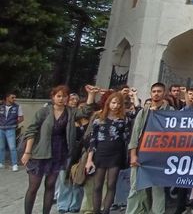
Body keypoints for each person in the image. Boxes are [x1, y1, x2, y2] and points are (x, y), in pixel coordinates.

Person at [22, 85, 97, 214]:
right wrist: (27, 152)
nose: (61, 99)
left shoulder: (70, 111)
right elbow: (31, 131)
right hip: (40, 151)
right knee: (33, 186)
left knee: (50, 185)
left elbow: (85, 112)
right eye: (59, 96)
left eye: (64, 96)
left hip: (59, 152)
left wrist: (91, 95)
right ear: (53, 97)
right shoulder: (44, 112)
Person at [126, 82, 173, 214]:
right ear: (151, 94)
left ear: (164, 93)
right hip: (141, 154)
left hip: (159, 156)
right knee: (136, 188)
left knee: (157, 189)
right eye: (154, 91)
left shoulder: (171, 112)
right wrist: (133, 155)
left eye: (159, 91)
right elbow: (135, 135)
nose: (156, 94)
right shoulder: (143, 112)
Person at [85, 92, 132, 214]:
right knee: (97, 185)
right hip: (100, 153)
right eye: (113, 102)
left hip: (116, 154)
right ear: (108, 103)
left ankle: (106, 211)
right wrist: (89, 159)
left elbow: (127, 138)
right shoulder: (99, 118)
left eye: (118, 103)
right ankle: (96, 211)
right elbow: (92, 140)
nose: (115, 106)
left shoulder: (124, 119)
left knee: (111, 184)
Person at [0, 91, 24, 171]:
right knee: (1, 147)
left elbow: (21, 118)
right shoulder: (1, 106)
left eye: (15, 97)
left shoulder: (17, 107)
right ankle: (1, 163)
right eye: (12, 97)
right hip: (1, 129)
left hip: (10, 129)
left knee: (12, 147)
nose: (14, 99)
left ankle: (14, 164)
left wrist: (14, 123)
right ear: (7, 98)